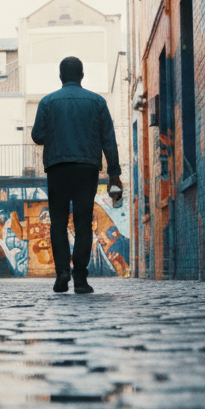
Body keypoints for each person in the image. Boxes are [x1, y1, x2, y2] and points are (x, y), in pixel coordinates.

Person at [30, 56, 123, 294]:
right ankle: (80, 278)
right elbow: (109, 141)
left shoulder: (47, 102)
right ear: (82, 76)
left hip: (58, 167)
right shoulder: (98, 102)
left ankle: (62, 272)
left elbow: (37, 136)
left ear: (60, 76)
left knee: (58, 223)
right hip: (86, 168)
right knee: (83, 223)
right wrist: (114, 173)